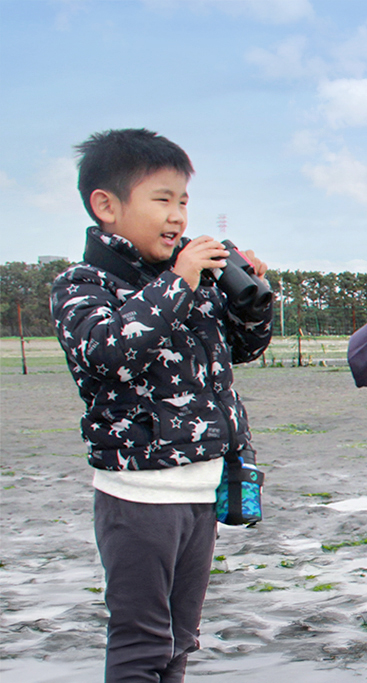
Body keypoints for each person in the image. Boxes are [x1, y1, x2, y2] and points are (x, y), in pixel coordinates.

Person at [50, 128, 274, 682]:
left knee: (179, 641)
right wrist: (179, 280)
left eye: (183, 201)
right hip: (138, 497)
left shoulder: (187, 282)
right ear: (106, 206)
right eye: (162, 199)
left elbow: (244, 349)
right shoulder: (83, 285)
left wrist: (248, 298)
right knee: (141, 643)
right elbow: (109, 353)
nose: (177, 216)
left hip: (200, 491)